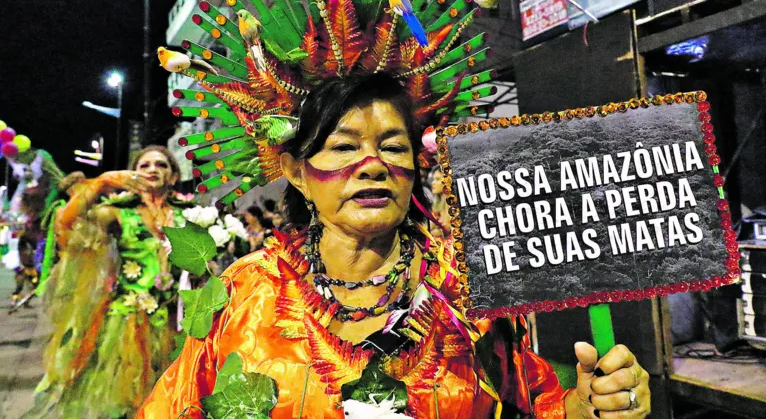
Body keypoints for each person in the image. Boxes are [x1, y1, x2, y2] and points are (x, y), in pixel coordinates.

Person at [138, 77, 651, 418]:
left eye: (392, 146)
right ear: (296, 172)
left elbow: (537, 403)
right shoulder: (245, 290)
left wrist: (593, 404)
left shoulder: (467, 286)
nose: (372, 164)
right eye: (343, 146)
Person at [26, 145, 194, 418]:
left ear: (174, 177)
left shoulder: (190, 215)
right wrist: (103, 181)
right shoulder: (119, 212)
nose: (153, 169)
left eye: (162, 165)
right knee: (126, 400)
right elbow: (68, 222)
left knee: (172, 399)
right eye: (145, 165)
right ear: (132, 174)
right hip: (127, 323)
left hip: (176, 321)